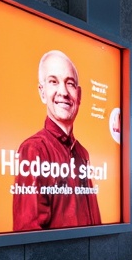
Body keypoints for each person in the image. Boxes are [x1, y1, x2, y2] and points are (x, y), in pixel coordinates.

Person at [12, 49, 103, 231]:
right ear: (42, 92)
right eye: (53, 82)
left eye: (70, 84)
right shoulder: (33, 150)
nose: (63, 92)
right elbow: (28, 234)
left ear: (79, 95)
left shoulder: (82, 153)